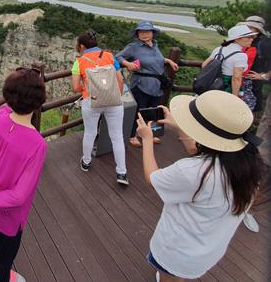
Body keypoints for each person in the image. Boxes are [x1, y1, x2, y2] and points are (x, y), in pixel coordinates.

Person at [136, 90, 263, 281]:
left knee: (169, 277)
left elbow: (152, 178)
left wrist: (146, 140)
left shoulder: (193, 171)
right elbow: (207, 153)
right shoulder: (248, 164)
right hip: (207, 249)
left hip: (176, 252)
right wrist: (180, 128)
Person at [0, 67, 47, 282]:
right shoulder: (37, 144)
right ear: (39, 102)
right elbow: (19, 196)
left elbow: (7, 105)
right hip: (7, 198)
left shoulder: (0, 117)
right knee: (10, 238)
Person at [71, 30, 128, 185]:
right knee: (117, 137)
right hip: (114, 102)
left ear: (82, 46)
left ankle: (87, 161)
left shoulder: (79, 62)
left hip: (92, 101)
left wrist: (87, 87)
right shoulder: (110, 56)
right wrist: (117, 97)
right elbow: (120, 80)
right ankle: (121, 173)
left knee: (90, 133)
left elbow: (75, 87)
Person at [116, 21, 179, 147]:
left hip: (156, 86)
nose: (144, 34)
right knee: (138, 111)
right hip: (141, 84)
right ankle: (132, 135)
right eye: (141, 32)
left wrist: (168, 61)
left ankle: (150, 134)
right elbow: (117, 57)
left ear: (152, 33)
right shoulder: (133, 47)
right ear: (137, 34)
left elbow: (156, 59)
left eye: (147, 32)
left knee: (153, 111)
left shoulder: (155, 45)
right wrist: (128, 64)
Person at [201, 24, 257, 98]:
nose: (251, 39)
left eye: (252, 37)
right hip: (227, 87)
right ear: (237, 39)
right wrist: (235, 97)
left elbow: (204, 65)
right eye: (248, 37)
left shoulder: (219, 49)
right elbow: (236, 78)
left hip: (212, 84)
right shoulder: (241, 56)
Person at [242, 16, 271, 112]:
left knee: (246, 116)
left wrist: (264, 76)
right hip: (240, 85)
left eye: (251, 27)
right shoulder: (245, 40)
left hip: (253, 88)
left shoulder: (263, 44)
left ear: (258, 29)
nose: (248, 29)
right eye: (247, 26)